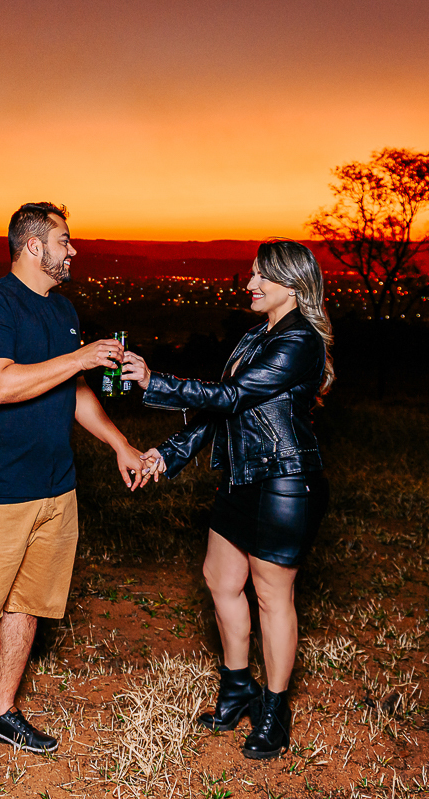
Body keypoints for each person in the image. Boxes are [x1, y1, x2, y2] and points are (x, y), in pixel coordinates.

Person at [0, 202, 151, 797]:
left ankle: (1, 714)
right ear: (33, 246)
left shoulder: (63, 310)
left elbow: (72, 393)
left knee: (27, 607)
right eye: (64, 241)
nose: (73, 251)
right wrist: (80, 356)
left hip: (56, 491)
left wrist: (120, 444)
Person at [123, 238, 333, 760]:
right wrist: (166, 455)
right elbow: (223, 413)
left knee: (271, 596)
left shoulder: (301, 339)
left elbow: (234, 397)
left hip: (284, 482)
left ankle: (275, 710)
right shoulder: (254, 336)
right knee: (220, 580)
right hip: (243, 479)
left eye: (261, 276)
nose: (250, 284)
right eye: (251, 274)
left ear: (293, 283)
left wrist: (156, 381)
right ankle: (239, 688)